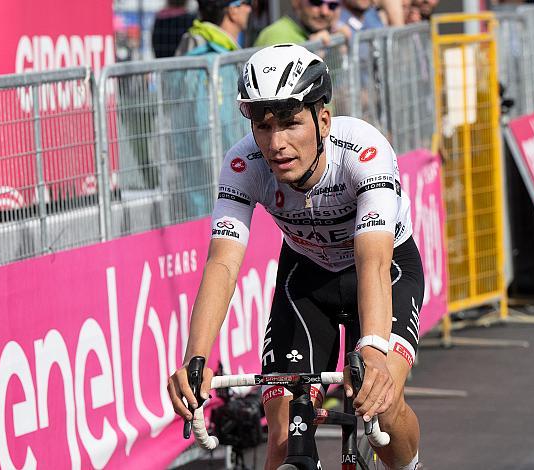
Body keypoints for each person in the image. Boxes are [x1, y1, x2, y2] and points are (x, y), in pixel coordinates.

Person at [168, 44, 424, 470]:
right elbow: (223, 263)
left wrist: (375, 350)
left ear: (323, 119)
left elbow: (373, 262)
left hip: (385, 270)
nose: (277, 143)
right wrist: (196, 359)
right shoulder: (243, 163)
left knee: (384, 402)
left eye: (290, 124)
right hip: (307, 277)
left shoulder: (364, 152)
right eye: (263, 126)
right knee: (284, 435)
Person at [175, 0, 252, 56]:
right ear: (233, 11)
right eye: (247, 2)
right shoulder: (211, 51)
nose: (249, 9)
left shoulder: (193, 38)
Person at [253, 0, 344, 46]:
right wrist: (313, 51)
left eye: (333, 5)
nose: (325, 12)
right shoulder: (278, 36)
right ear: (296, 2)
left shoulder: (329, 34)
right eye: (316, 2)